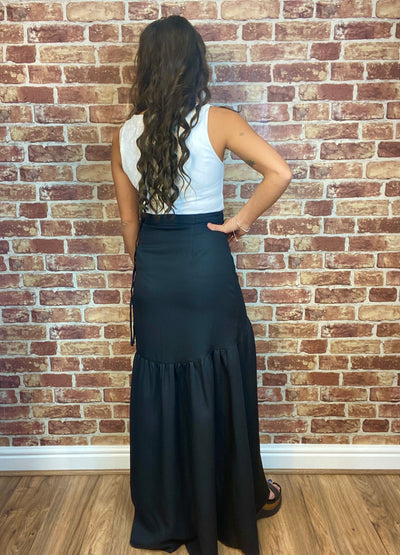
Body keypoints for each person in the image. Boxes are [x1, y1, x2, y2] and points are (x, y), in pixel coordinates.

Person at [111, 15, 292, 555]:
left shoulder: (125, 134)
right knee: (218, 376)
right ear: (195, 63)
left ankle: (170, 509)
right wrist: (239, 222)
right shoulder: (220, 121)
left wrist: (150, 268)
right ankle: (234, 499)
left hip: (155, 269)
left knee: (162, 383)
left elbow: (129, 225)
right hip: (205, 264)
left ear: (146, 67)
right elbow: (279, 172)